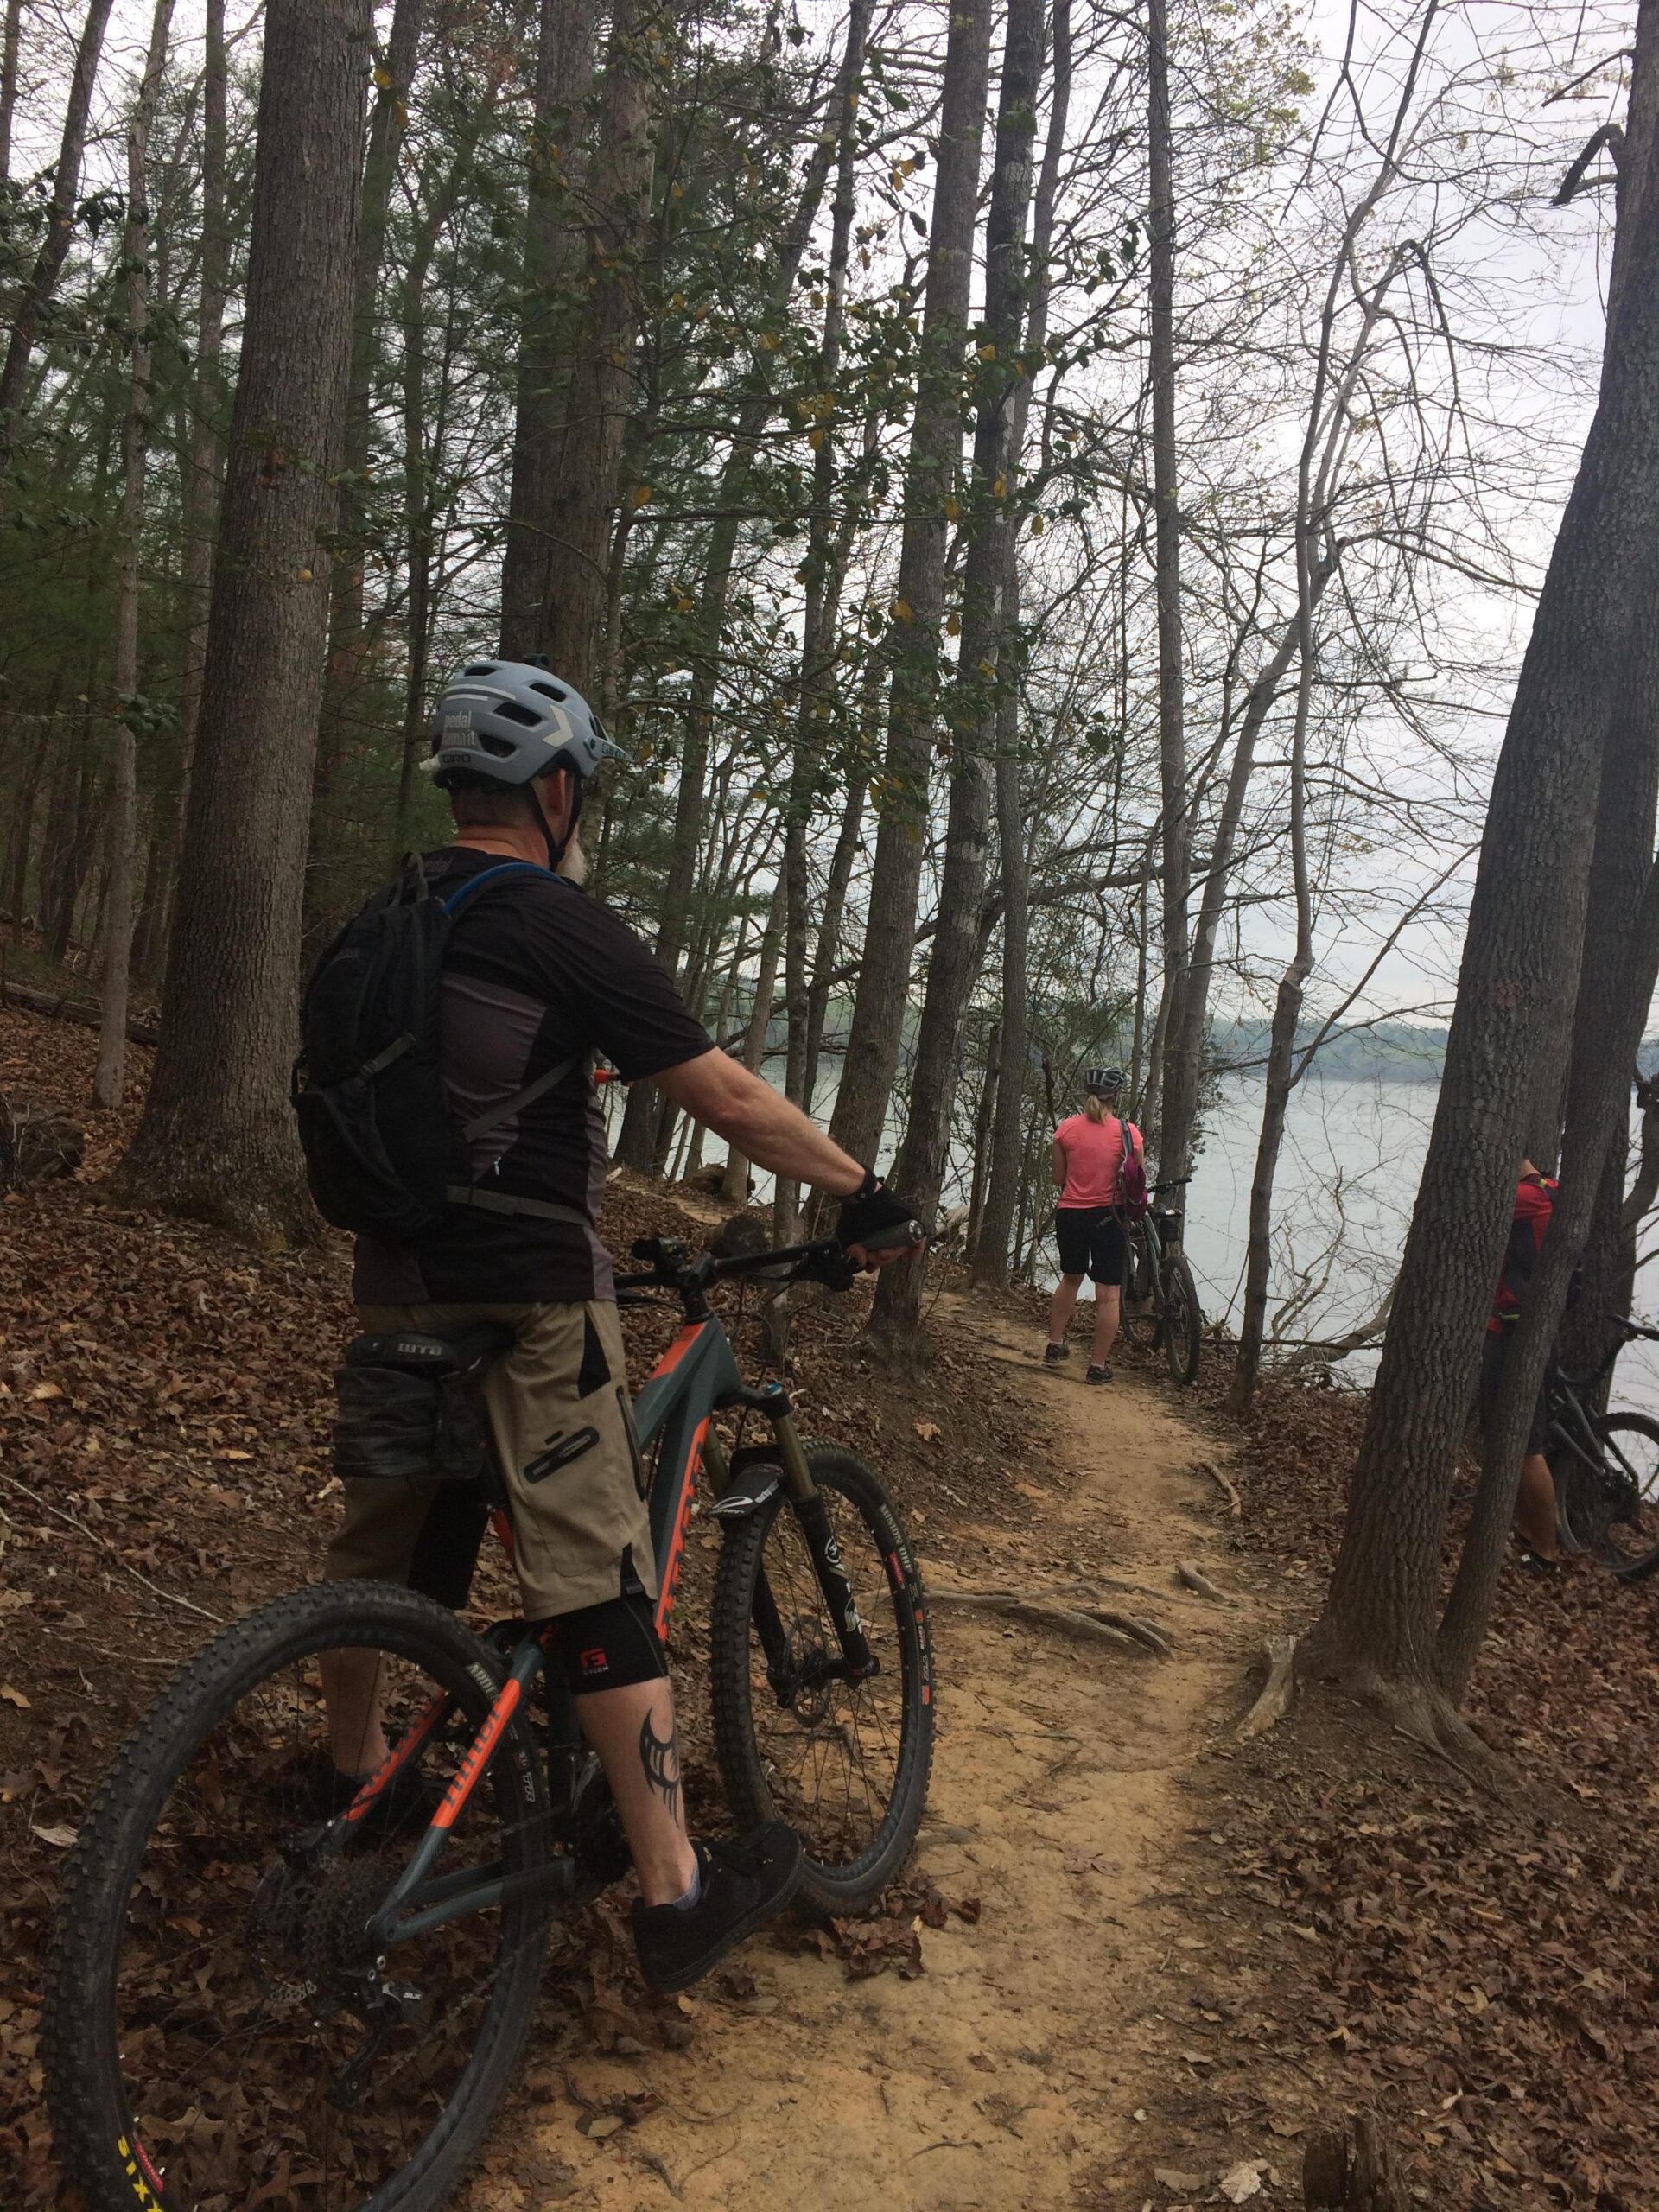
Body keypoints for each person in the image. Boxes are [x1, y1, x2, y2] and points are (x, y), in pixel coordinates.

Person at [317, 657, 922, 1993]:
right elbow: (728, 1100)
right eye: (578, 793)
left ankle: (345, 1783)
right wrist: (862, 1194)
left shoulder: (381, 918)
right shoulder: (554, 920)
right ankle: (673, 1892)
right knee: (594, 1578)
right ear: (550, 789)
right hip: (532, 1288)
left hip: (396, 1279)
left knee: (383, 1547)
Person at [1478, 1157, 1564, 1567]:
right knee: (1517, 1438)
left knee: (1526, 1446)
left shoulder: (1525, 1197)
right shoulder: (1551, 1188)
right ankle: (1527, 1533)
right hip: (1528, 1327)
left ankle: (1545, 1552)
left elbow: (1476, 1210)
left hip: (1516, 1332)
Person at [1044, 1066, 1143, 1385]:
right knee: (1108, 1294)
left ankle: (1054, 1345)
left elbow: (1058, 1179)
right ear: (1116, 1097)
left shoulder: (1065, 1130)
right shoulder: (1128, 1133)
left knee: (1070, 1279)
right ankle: (1097, 1366)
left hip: (1071, 1214)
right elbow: (1137, 1180)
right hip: (1108, 1217)